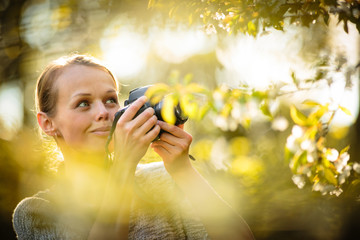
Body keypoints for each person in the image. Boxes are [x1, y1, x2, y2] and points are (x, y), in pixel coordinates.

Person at [12, 54, 255, 240]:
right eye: (83, 103)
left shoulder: (163, 179)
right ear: (47, 123)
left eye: (110, 100)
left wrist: (183, 171)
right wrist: (124, 166)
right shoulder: (37, 213)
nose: (103, 113)